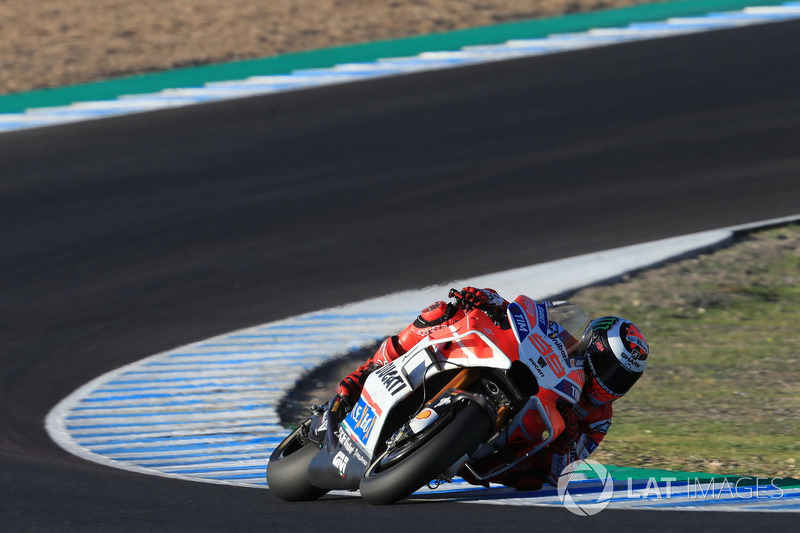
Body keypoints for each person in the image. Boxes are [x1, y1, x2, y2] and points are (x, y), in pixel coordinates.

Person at [334, 286, 650, 491]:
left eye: (622, 378)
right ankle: (368, 371)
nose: (611, 382)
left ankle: (448, 450)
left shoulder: (599, 417)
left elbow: (560, 475)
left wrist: (565, 441)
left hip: (510, 451)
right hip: (507, 370)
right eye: (610, 368)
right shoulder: (564, 340)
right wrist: (487, 300)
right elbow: (521, 316)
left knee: (531, 481)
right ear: (593, 347)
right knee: (443, 312)